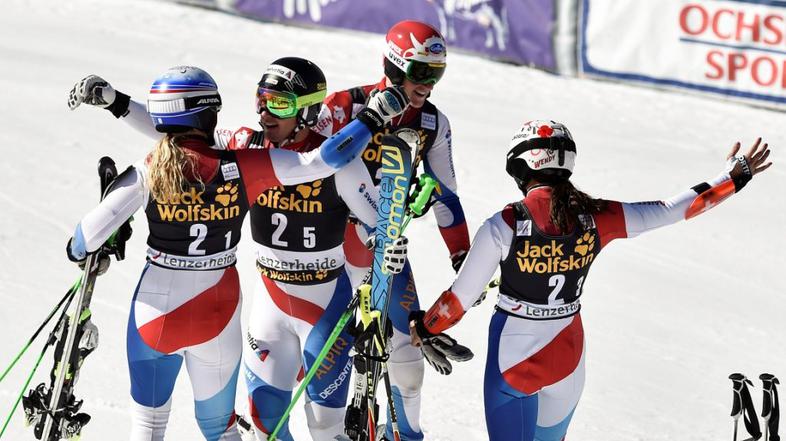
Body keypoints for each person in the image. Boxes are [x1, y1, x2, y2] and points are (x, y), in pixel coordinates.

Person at [66, 65, 409, 441]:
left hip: (320, 299)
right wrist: (116, 103)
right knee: (265, 427)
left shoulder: (336, 163)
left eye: (278, 104)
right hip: (267, 302)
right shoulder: (247, 150)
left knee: (325, 429)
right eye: (260, 102)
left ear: (307, 110)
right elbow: (180, 137)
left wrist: (384, 242)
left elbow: (376, 222)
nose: (264, 113)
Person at [408, 120, 772, 441]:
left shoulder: (504, 223)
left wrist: (425, 327)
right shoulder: (596, 215)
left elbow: (459, 300)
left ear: (520, 168)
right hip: (569, 356)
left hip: (514, 358)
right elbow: (670, 210)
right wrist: (733, 177)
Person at [314, 20, 470, 441]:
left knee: (409, 364)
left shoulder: (434, 124)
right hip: (333, 248)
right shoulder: (345, 104)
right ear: (394, 65)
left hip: (388, 250)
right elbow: (313, 165)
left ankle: (406, 434)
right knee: (326, 355)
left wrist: (463, 257)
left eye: (436, 74)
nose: (428, 85)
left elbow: (444, 197)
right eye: (420, 72)